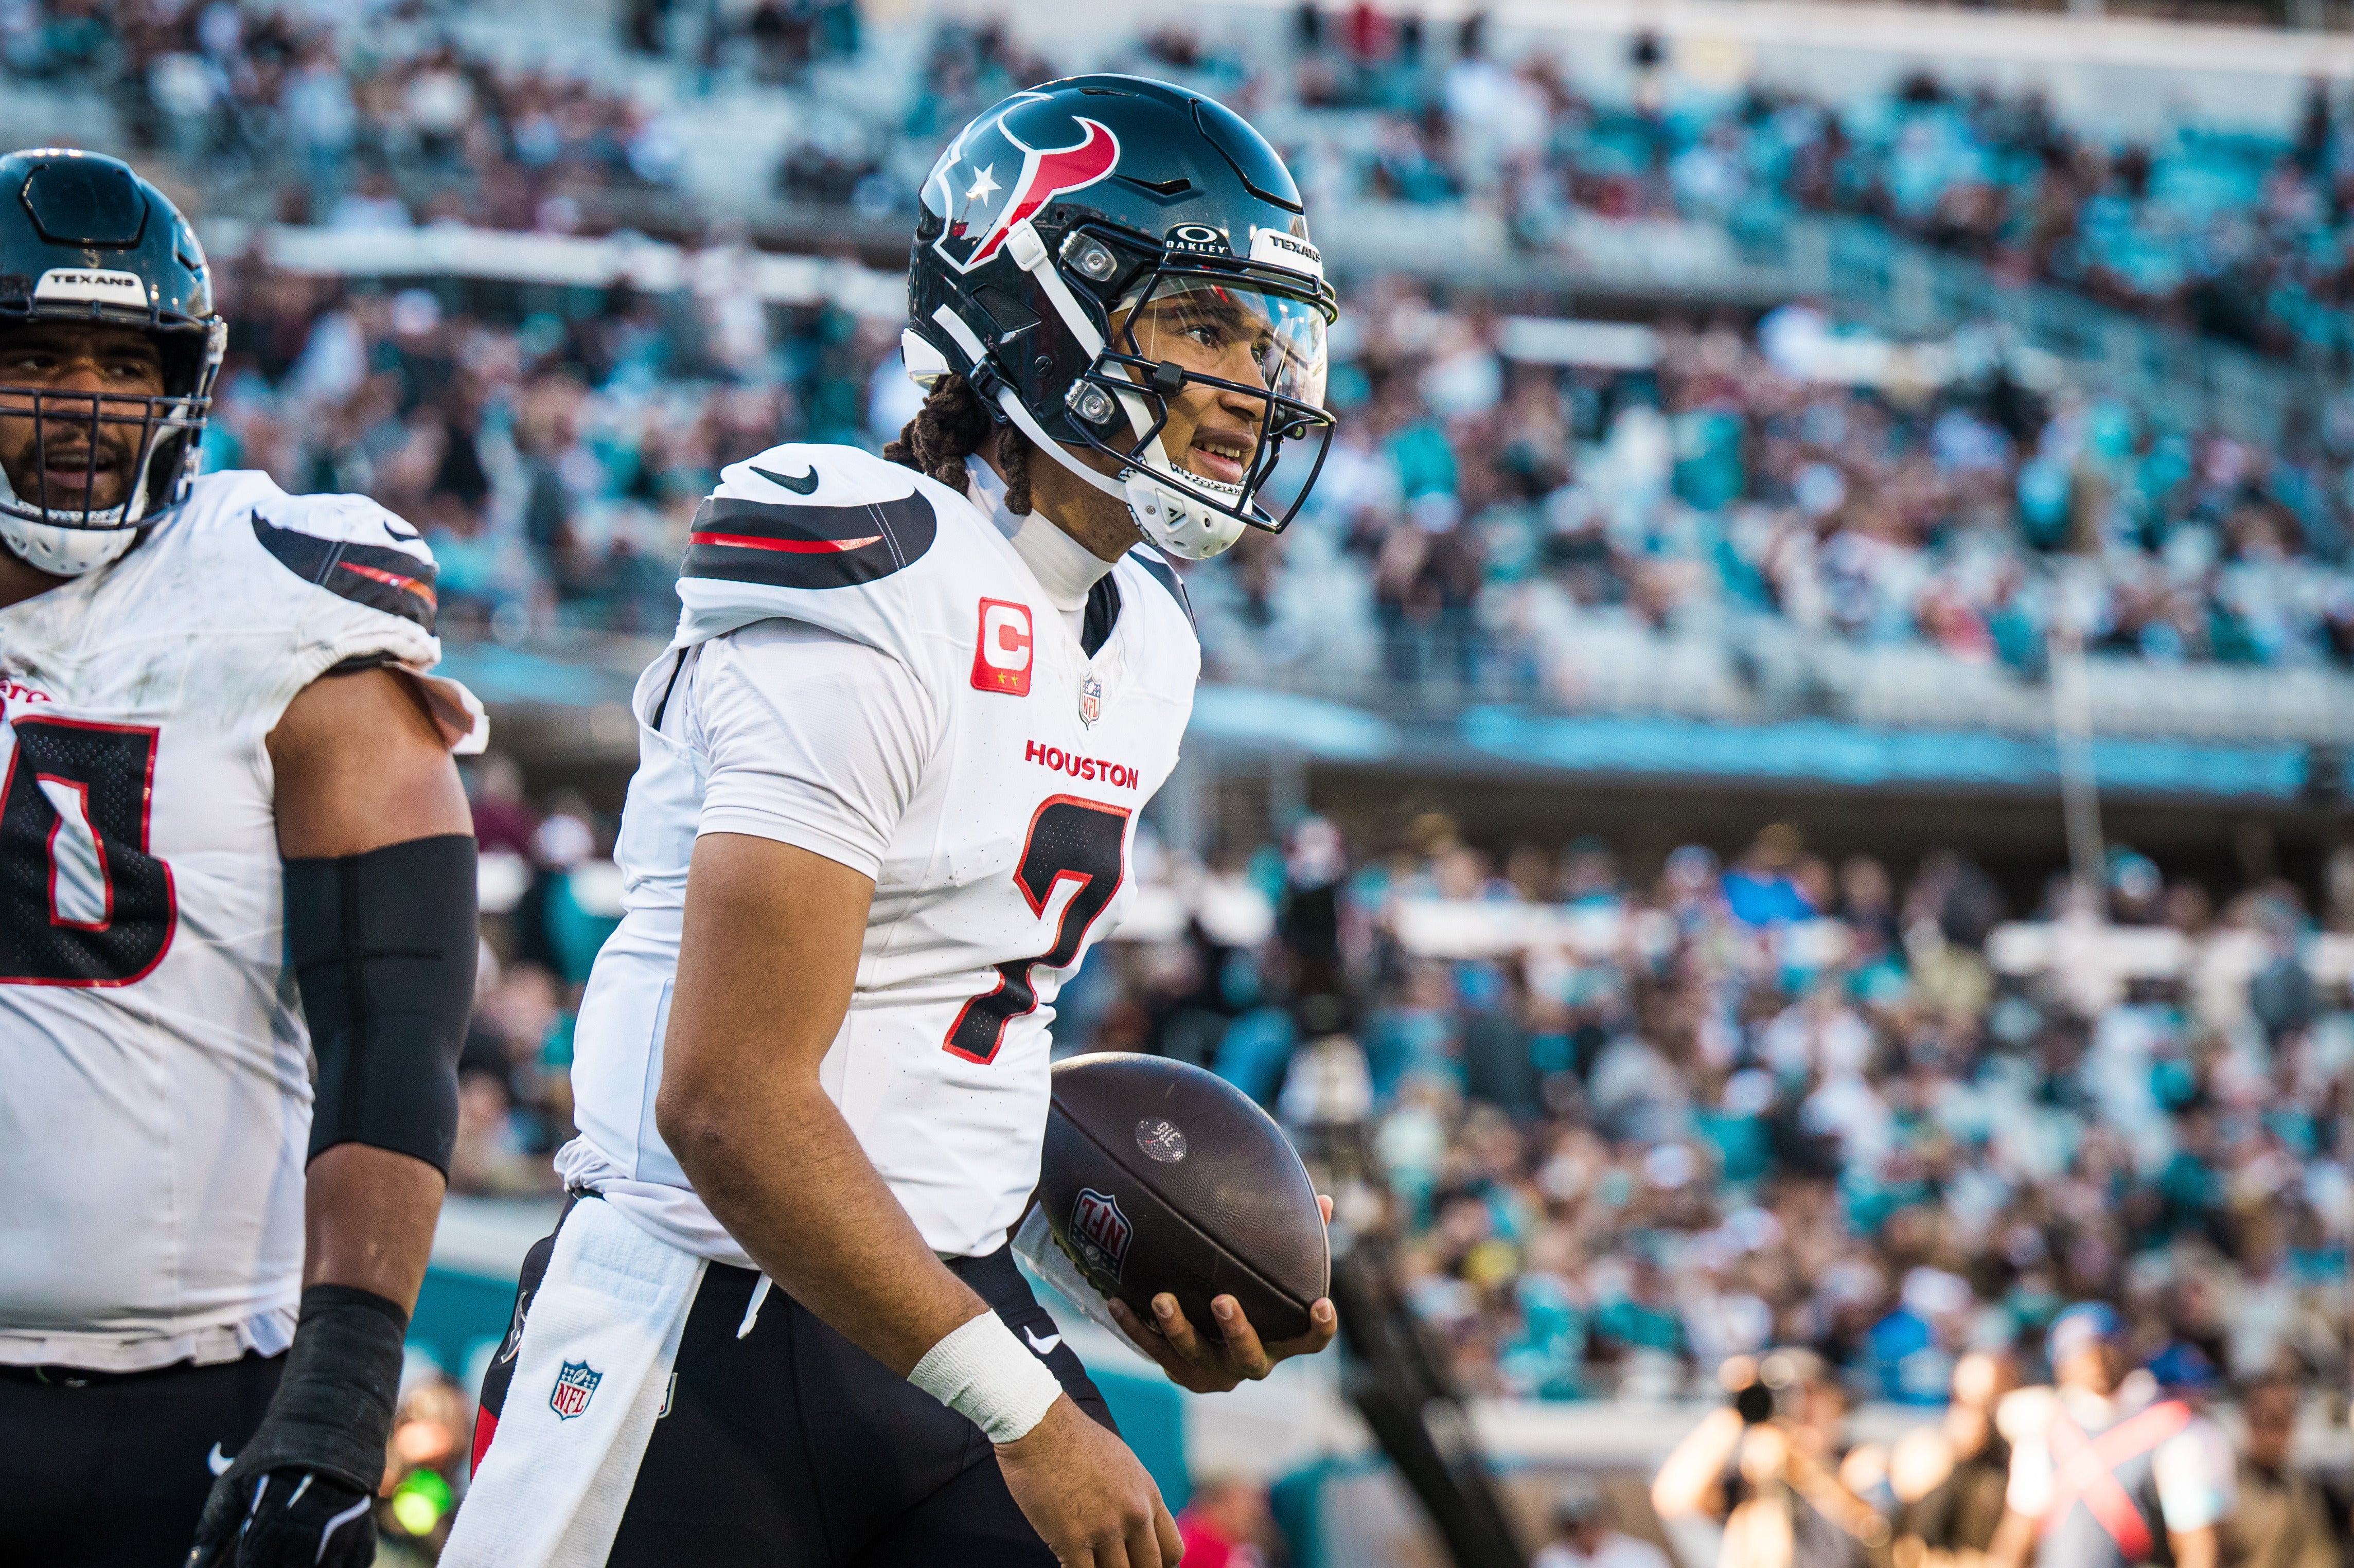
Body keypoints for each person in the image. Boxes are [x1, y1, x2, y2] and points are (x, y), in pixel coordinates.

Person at [447, 75, 1342, 1568]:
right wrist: (1029, 1411)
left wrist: (1116, 1253)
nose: (1254, 384)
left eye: (1267, 338)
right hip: (697, 1325)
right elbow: (729, 1096)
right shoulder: (868, 577)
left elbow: (946, 1030)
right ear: (1043, 314)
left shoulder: (1148, 639)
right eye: (1204, 327)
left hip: (944, 1312)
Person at [0, 150, 482, 1567]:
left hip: (198, 1383)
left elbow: (396, 1025)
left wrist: (341, 1394)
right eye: (37, 358)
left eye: (124, 362)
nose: (89, 404)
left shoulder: (277, 600)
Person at [1989, 1304, 2236, 1568]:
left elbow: (2197, 1544)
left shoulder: (2172, 1432)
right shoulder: (2043, 1431)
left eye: (2106, 1346)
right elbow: (2018, 1533)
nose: (2096, 1360)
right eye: (2080, 1351)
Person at [1653, 1349, 1891, 1568]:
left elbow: (1873, 1526)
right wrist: (1738, 1408)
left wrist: (1803, 1471)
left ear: (1838, 1402)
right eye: (1789, 1395)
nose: (1800, 1406)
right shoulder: (1754, 1474)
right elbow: (1675, 1500)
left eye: (1811, 1394)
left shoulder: (1857, 1462)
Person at [1889, 1351, 2019, 1568]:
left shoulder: (2017, 1453)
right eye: (1965, 1401)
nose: (1976, 1413)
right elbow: (1916, 1535)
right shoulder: (1930, 1452)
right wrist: (1954, 1456)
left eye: (1985, 1402)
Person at [2224, 1376, 2340, 1568]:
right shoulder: (2223, 1482)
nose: (2272, 1434)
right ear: (2248, 1417)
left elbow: (2318, 1556)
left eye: (2282, 1418)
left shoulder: (2304, 1489)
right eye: (2265, 1418)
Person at [1536, 1476, 1674, 1568]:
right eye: (1573, 1527)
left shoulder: (1643, 1555)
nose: (1584, 1534)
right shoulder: (1551, 1560)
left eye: (1591, 1523)